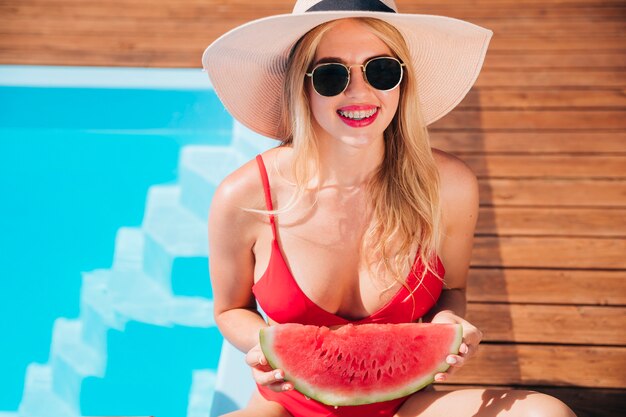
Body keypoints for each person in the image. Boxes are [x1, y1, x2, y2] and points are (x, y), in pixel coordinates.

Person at [204, 1, 577, 416]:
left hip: (404, 403)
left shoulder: (448, 186)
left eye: (381, 70)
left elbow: (451, 289)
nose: (360, 92)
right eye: (331, 75)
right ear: (301, 86)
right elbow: (230, 309)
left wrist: (446, 323)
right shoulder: (245, 196)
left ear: (402, 81)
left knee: (546, 413)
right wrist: (263, 346)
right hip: (287, 405)